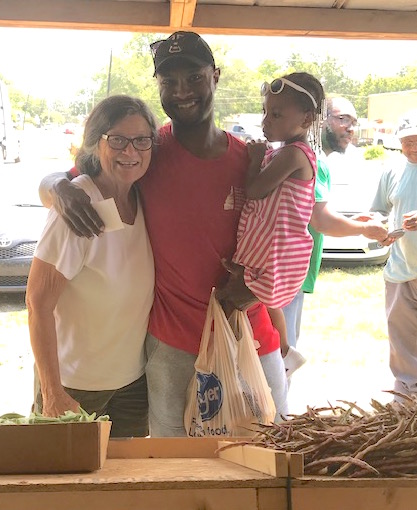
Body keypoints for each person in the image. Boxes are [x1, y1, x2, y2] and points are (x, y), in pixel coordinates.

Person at [38, 31, 287, 436]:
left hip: (249, 335)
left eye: (193, 77)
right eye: (168, 81)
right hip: (173, 346)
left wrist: (265, 295)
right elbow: (66, 179)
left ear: (216, 76)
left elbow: (288, 238)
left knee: (266, 458)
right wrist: (59, 189)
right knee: (175, 470)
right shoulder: (148, 153)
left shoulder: (251, 161)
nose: (182, 91)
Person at [26, 95, 157, 437]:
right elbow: (37, 304)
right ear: (96, 144)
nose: (131, 152)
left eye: (142, 140)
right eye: (117, 140)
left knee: (124, 487)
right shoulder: (77, 206)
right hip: (73, 386)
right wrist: (53, 392)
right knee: (64, 488)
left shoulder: (143, 199)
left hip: (131, 384)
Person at [220, 72, 325, 377]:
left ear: (306, 120)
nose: (267, 120)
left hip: (276, 250)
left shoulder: (293, 154)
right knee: (267, 304)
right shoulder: (284, 152)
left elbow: (256, 189)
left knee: (238, 301)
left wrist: (254, 159)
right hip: (269, 247)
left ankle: (278, 356)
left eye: (277, 114)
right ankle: (285, 353)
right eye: (266, 111)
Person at [281, 96, 388, 370]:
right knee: (284, 362)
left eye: (353, 121)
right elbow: (321, 221)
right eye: (342, 119)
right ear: (315, 119)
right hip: (287, 278)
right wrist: (365, 229)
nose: (350, 128)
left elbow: (311, 213)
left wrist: (355, 220)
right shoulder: (311, 159)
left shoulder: (298, 154)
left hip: (284, 275)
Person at [370, 109, 417, 400]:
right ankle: (407, 402)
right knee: (401, 344)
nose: (412, 146)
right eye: (407, 141)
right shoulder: (392, 170)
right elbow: (378, 210)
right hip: (400, 270)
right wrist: (378, 228)